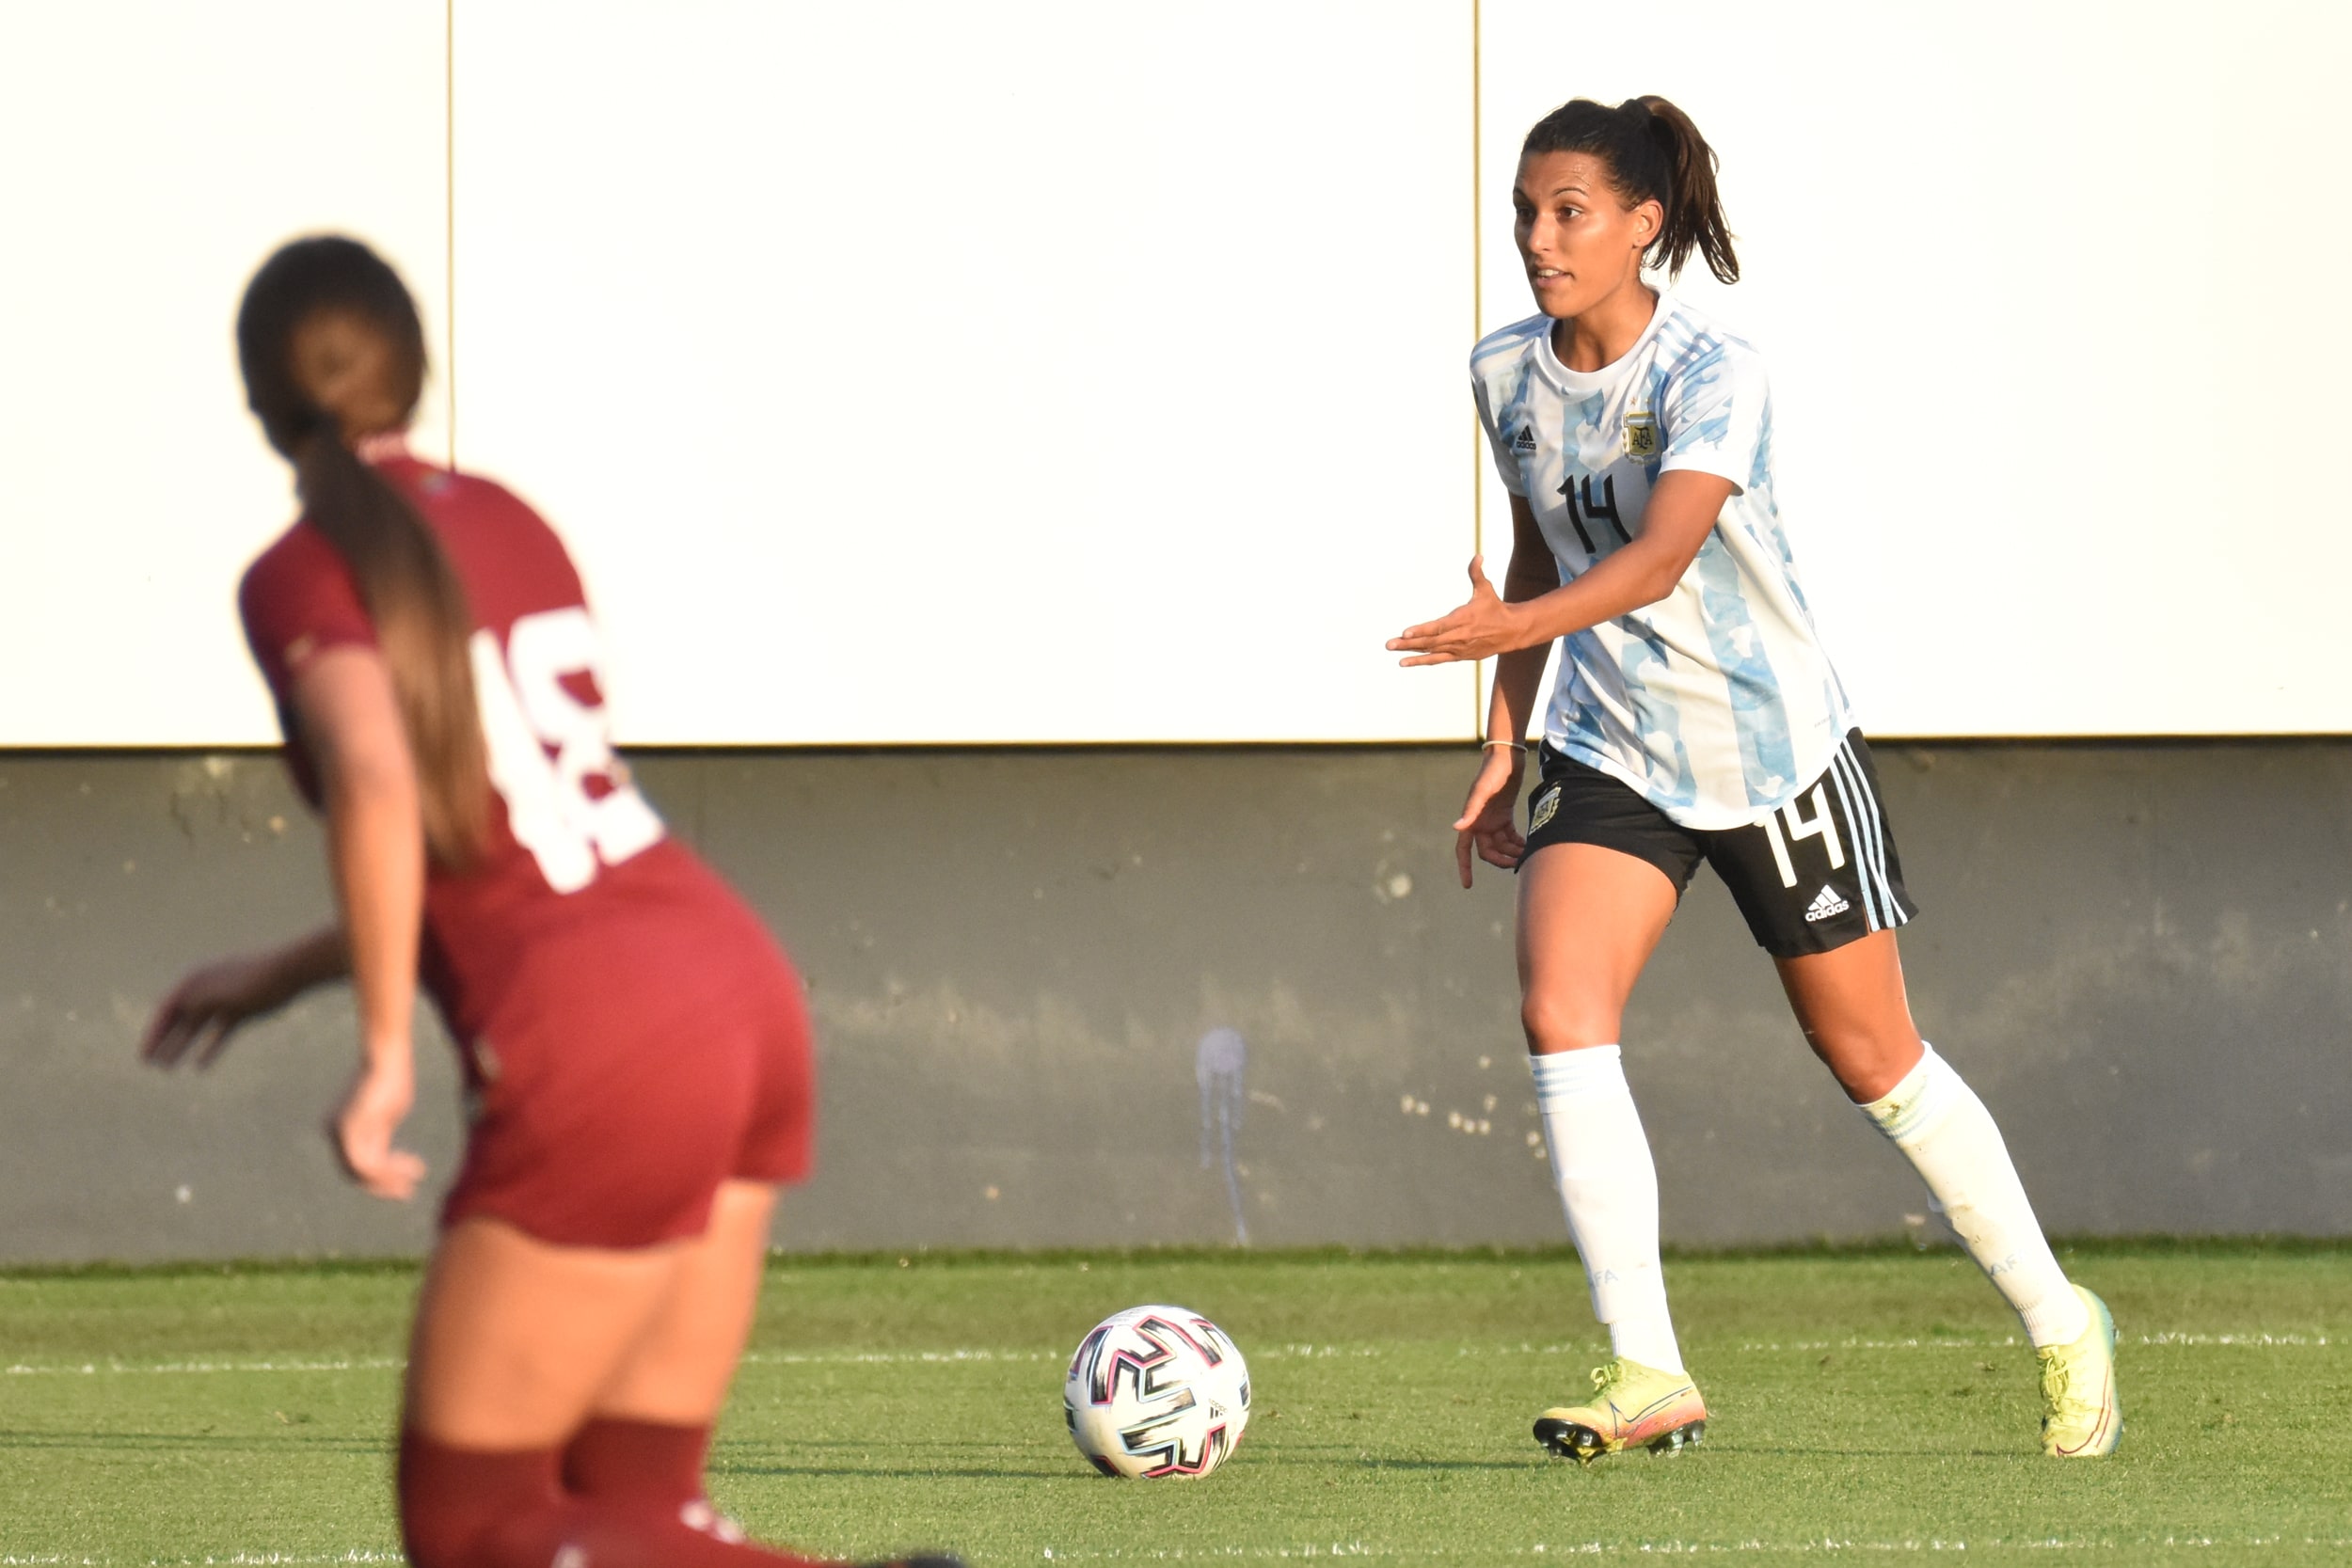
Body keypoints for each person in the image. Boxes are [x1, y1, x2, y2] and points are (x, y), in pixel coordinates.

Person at [142, 236, 961, 1568]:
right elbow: (523, 828)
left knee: (474, 1528)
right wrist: (290, 971)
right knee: (639, 1508)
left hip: (599, 1040)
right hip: (730, 983)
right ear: (419, 368)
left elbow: (376, 777)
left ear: (258, 406)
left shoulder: (296, 571)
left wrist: (383, 1060)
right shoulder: (512, 518)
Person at [1388, 97, 2121, 1464]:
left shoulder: (1714, 367)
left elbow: (1658, 559)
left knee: (1872, 1059)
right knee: (1561, 1008)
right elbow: (1544, 561)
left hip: (1770, 747)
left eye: (1571, 213)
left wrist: (1507, 636)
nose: (1539, 240)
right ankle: (1648, 1368)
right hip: (1613, 747)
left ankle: (2061, 1318)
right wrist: (1506, 742)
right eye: (1526, 213)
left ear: (1641, 224)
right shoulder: (1503, 372)